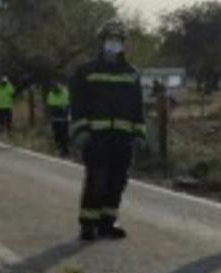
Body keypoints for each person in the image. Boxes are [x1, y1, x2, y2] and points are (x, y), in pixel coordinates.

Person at [70, 20, 146, 242]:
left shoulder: (131, 73)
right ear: (102, 42)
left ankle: (108, 222)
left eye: (117, 40)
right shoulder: (86, 72)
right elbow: (78, 104)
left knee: (118, 181)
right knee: (97, 179)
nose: (113, 44)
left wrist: (140, 133)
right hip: (96, 137)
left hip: (123, 138)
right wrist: (81, 130)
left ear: (123, 44)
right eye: (109, 40)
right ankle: (88, 224)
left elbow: (137, 107)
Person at [46, 81, 72, 156]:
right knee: (57, 135)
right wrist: (58, 107)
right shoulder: (51, 94)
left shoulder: (65, 92)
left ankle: (65, 151)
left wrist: (61, 108)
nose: (55, 91)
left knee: (64, 135)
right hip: (55, 118)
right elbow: (50, 105)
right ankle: (59, 148)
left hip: (64, 118)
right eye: (53, 90)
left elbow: (67, 105)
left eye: (56, 89)